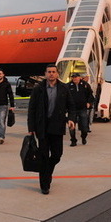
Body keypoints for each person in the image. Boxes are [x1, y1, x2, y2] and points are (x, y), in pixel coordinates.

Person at [28, 64, 76, 194]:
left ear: (57, 74)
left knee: (57, 155)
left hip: (57, 126)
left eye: (53, 72)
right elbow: (32, 109)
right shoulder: (38, 88)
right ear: (45, 74)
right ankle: (44, 185)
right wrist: (31, 127)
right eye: (49, 72)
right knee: (43, 156)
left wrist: (71, 119)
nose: (51, 74)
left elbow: (71, 106)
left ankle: (47, 173)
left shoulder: (64, 88)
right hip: (42, 127)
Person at [68, 73, 94, 146]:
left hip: (82, 109)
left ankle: (83, 137)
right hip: (72, 109)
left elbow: (90, 95)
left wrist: (89, 103)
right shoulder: (68, 86)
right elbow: (64, 97)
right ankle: (73, 140)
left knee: (84, 126)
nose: (74, 78)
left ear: (79, 77)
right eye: (73, 77)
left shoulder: (85, 85)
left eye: (76, 77)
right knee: (71, 126)